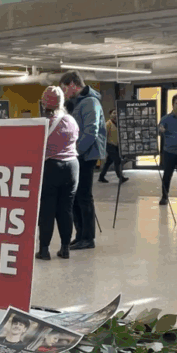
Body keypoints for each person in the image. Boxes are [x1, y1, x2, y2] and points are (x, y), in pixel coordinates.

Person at [59, 71, 106, 250]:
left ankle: (88, 237)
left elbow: (90, 132)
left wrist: (75, 152)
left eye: (65, 88)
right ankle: (80, 235)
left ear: (73, 84)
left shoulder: (89, 102)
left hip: (85, 156)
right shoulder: (77, 103)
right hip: (78, 155)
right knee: (77, 197)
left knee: (84, 197)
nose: (64, 92)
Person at [36, 86, 79, 261]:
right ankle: (65, 248)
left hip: (51, 167)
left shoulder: (44, 123)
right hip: (72, 167)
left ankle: (44, 250)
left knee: (47, 210)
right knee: (66, 209)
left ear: (44, 103)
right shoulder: (71, 120)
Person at [98, 109, 128, 183]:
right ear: (110, 114)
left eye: (116, 113)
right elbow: (104, 136)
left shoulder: (118, 124)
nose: (115, 114)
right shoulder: (108, 124)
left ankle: (101, 176)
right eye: (114, 113)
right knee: (117, 160)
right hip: (109, 145)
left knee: (108, 162)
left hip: (116, 145)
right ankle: (121, 177)